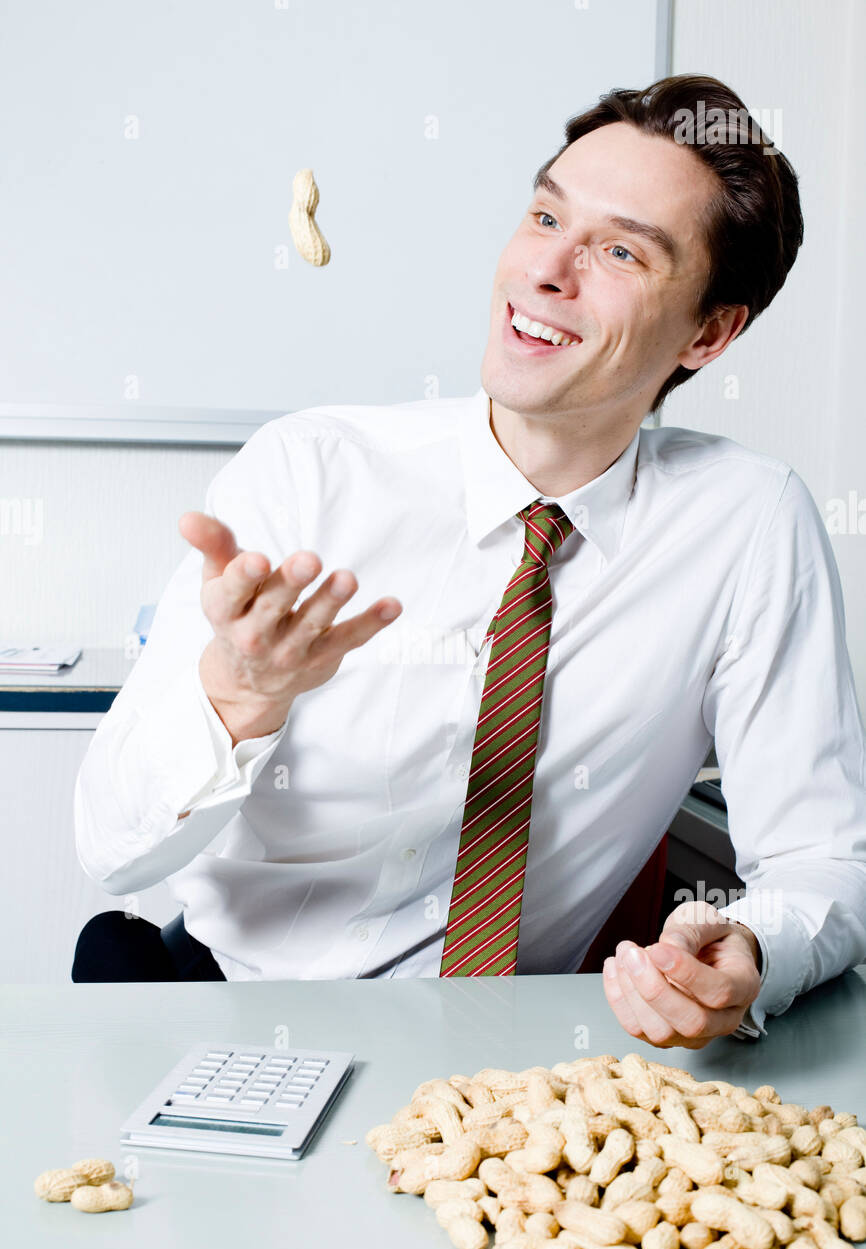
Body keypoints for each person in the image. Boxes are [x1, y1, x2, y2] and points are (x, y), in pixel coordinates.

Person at [73, 74, 866, 1049]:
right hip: (245, 1011)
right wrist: (236, 698)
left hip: (516, 1059)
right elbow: (112, 855)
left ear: (706, 333)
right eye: (543, 216)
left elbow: (821, 856)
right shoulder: (309, 470)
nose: (545, 269)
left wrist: (751, 945)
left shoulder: (745, 523)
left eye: (618, 250)